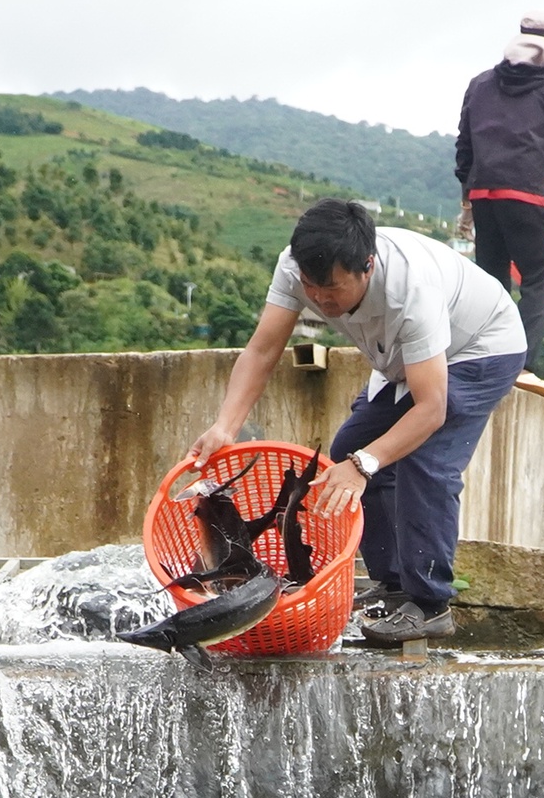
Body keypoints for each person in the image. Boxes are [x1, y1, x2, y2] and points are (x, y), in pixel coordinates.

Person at [186, 198, 524, 646]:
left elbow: (432, 409)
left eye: (334, 288)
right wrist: (225, 426)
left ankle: (429, 604)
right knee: (348, 450)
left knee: (424, 460)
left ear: (368, 266)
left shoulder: (410, 288)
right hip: (402, 360)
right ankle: (393, 583)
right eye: (312, 286)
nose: (322, 299)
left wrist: (366, 465)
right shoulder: (294, 268)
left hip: (482, 345)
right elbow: (263, 350)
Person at [455, 11, 544, 358]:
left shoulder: (480, 84)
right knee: (536, 280)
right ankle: (522, 363)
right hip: (526, 196)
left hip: (484, 195)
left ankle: (486, 354)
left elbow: (465, 150)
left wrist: (467, 204)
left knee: (492, 282)